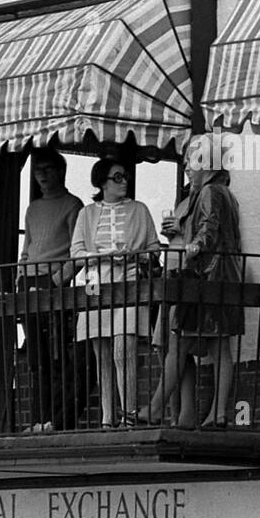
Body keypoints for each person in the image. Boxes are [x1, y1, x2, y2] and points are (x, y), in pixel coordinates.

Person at [143, 156, 244, 429]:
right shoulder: (227, 195)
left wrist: (191, 248)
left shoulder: (209, 192)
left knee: (179, 341)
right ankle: (218, 413)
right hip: (225, 275)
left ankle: (153, 409)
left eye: (192, 162)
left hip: (204, 275)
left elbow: (208, 230)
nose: (187, 167)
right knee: (219, 344)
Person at [70, 157, 159, 428]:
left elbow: (154, 248)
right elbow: (76, 254)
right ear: (103, 182)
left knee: (125, 348)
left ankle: (129, 415)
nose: (124, 182)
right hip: (96, 283)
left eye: (125, 176)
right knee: (103, 353)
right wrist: (101, 255)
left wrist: (135, 255)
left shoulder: (140, 210)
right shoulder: (86, 213)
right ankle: (108, 418)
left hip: (129, 282)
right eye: (117, 177)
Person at [17, 148, 85, 431]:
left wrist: (60, 278)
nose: (42, 175)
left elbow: (78, 248)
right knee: (36, 357)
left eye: (48, 169)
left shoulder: (73, 205)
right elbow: (27, 249)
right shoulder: (32, 208)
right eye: (38, 170)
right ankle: (37, 419)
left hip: (54, 284)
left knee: (56, 354)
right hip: (29, 283)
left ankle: (54, 420)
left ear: (61, 171)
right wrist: (20, 275)